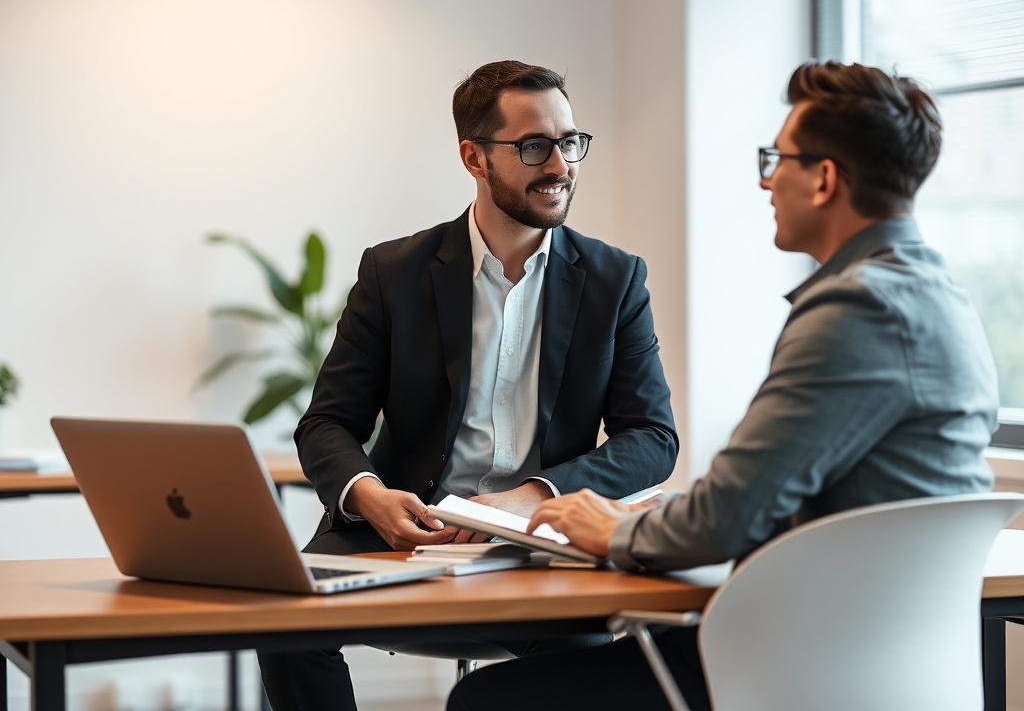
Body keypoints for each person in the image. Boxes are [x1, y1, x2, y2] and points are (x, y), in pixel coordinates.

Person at [447, 61, 999, 711]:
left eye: (778, 159)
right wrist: (647, 515)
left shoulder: (857, 310)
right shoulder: (941, 295)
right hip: (893, 664)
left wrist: (608, 529)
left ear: (823, 179)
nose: (767, 182)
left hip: (799, 664)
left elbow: (732, 513)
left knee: (487, 701)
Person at [256, 60, 678, 710]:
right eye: (534, 146)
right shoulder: (395, 272)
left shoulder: (614, 279)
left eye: (570, 143)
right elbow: (327, 423)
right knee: (285, 629)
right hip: (399, 535)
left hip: (544, 546)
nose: (561, 166)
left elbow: (651, 438)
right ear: (473, 158)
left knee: (583, 660)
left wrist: (535, 495)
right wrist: (369, 496)